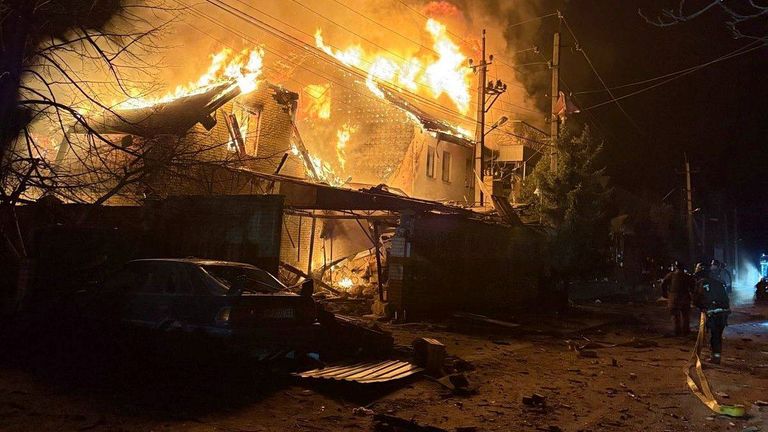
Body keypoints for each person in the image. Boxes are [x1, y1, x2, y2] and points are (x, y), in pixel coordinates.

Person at [693, 263, 731, 364]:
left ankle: (715, 358)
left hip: (712, 314)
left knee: (713, 335)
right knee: (718, 335)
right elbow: (726, 299)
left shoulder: (700, 283)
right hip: (723, 314)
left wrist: (702, 308)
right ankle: (716, 356)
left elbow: (696, 300)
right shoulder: (718, 283)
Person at [661, 261, 694, 336]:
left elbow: (663, 284)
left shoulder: (671, 275)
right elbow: (692, 286)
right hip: (685, 297)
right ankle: (685, 331)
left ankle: (677, 331)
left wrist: (664, 293)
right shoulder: (687, 276)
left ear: (675, 267)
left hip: (674, 297)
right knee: (685, 315)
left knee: (675, 315)